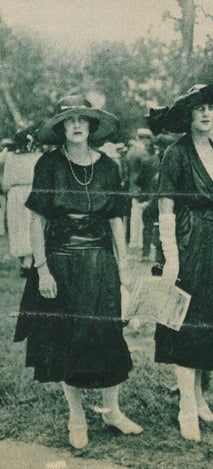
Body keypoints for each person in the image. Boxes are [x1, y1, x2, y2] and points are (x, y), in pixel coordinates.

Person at [14, 95, 142, 450]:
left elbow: (117, 218)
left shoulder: (109, 166)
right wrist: (42, 270)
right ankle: (77, 416)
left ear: (92, 126)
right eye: (69, 120)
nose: (76, 125)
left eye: (82, 120)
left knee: (108, 335)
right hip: (61, 260)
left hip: (100, 260)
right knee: (67, 339)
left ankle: (112, 410)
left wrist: (124, 266)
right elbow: (36, 220)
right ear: (60, 127)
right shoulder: (48, 164)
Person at [154, 84, 213, 442]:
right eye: (198, 109)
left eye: (210, 108)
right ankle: (186, 407)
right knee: (187, 324)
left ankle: (202, 401)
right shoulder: (176, 154)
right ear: (188, 115)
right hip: (191, 243)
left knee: (212, 321)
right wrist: (171, 257)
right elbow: (165, 205)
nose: (206, 114)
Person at [3, 131, 39, 276]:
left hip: (16, 194)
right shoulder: (36, 157)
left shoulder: (11, 158)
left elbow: (6, 183)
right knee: (26, 226)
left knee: (20, 227)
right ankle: (28, 262)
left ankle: (27, 262)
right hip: (29, 192)